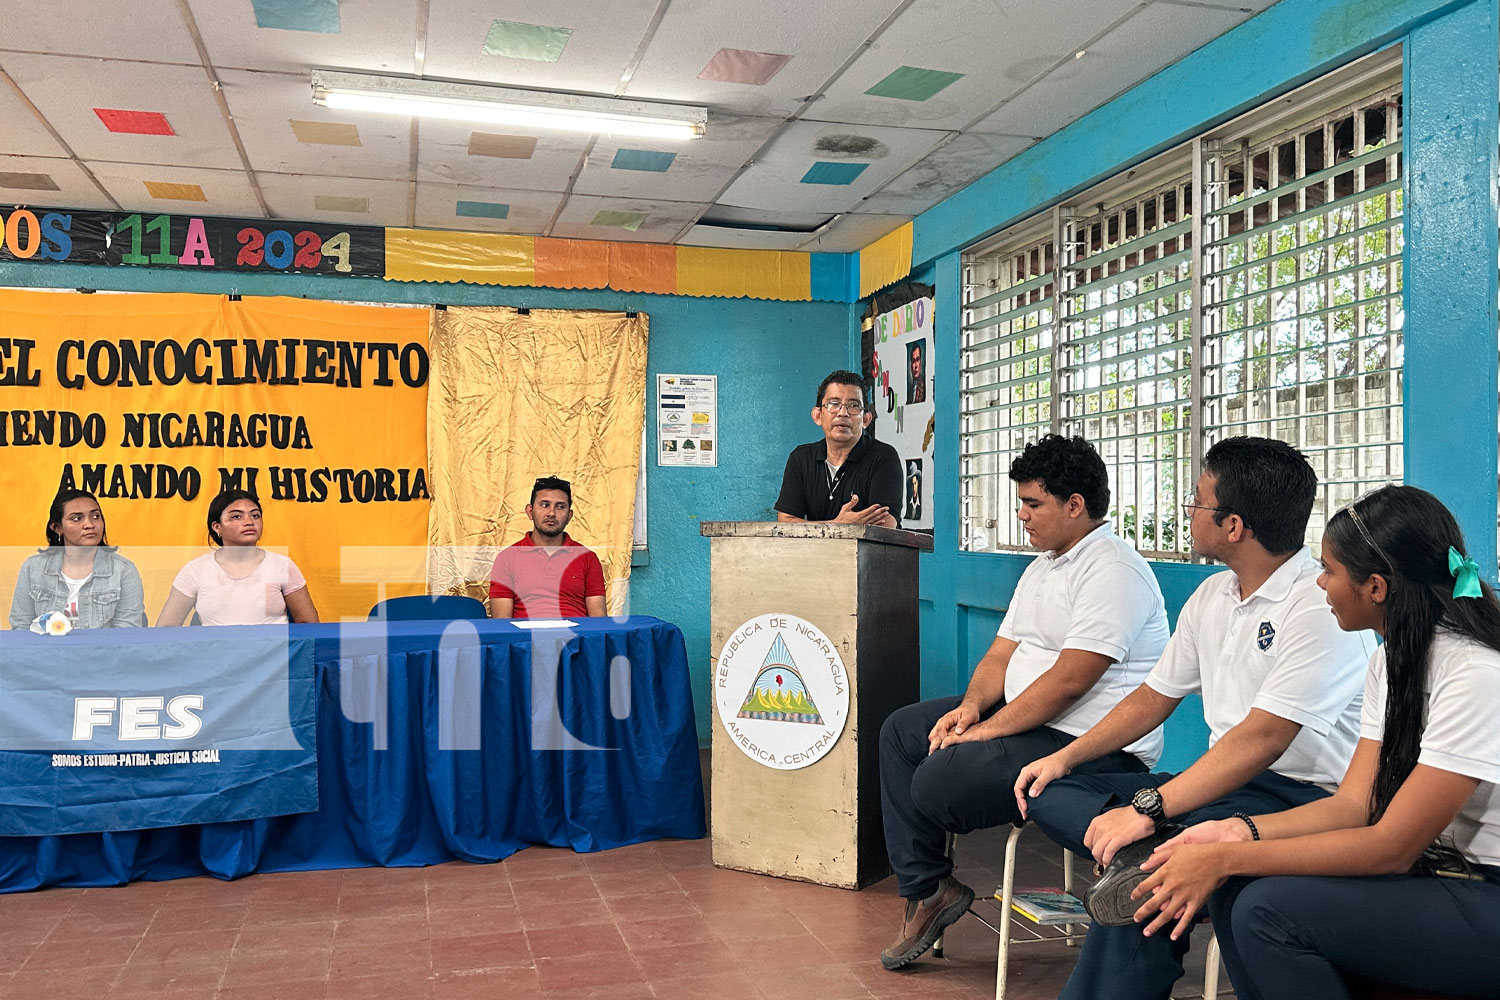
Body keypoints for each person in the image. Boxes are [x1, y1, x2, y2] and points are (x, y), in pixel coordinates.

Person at [1011, 436, 1377, 1000]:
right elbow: (1153, 697)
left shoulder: (1318, 604)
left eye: (1197, 501)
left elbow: (1263, 739)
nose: (1187, 511)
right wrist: (1062, 757)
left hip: (1300, 797)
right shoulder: (1212, 595)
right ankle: (1149, 843)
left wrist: (1148, 807)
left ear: (1234, 525)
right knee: (1049, 788)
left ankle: (1153, 845)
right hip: (1226, 786)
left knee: (1145, 892)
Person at [1128, 486, 1500, 1000]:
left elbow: (1392, 847)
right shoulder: (1391, 663)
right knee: (1240, 889)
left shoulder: (1475, 674)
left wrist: (1227, 858)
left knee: (1268, 911)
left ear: (1375, 586)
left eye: (1329, 570)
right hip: (1443, 875)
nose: (1320, 583)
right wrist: (1237, 833)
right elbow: (1353, 805)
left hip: (1483, 890)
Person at [878, 434, 1171, 970]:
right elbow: (1000, 654)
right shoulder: (1045, 565)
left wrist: (990, 730)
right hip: (1029, 721)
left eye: (1033, 503)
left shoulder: (1113, 570)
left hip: (1088, 743)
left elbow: (1069, 681)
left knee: (938, 781)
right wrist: (971, 709)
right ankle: (928, 890)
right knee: (903, 732)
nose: (1022, 515)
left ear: (1075, 505)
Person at [157, 489, 319, 626]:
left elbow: (309, 627)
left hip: (274, 661)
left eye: (255, 516)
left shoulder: (282, 566)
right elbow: (165, 630)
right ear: (217, 527)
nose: (249, 521)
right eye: (237, 516)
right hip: (215, 660)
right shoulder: (195, 570)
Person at [775, 369, 901, 528]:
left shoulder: (883, 457)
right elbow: (786, 523)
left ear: (866, 419)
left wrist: (820, 527)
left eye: (854, 405)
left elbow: (885, 526)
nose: (843, 413)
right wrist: (838, 525)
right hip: (814, 553)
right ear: (818, 415)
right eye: (834, 404)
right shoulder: (801, 458)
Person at [9, 489, 145, 629]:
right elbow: (21, 627)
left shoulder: (124, 570)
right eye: (76, 518)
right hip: (46, 650)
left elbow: (127, 633)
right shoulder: (33, 568)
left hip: (104, 650)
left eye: (96, 516)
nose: (89, 524)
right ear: (57, 527)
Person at [489, 476, 606, 619]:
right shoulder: (507, 558)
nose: (551, 513)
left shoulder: (587, 558)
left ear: (569, 516)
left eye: (560, 506)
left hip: (575, 638)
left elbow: (598, 619)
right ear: (530, 512)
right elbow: (502, 623)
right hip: (526, 639)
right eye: (544, 505)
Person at [907, 340, 927, 405]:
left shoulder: (925, 385)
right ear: (910, 365)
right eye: (913, 361)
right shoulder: (908, 391)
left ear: (920, 362)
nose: (915, 366)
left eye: (917, 360)